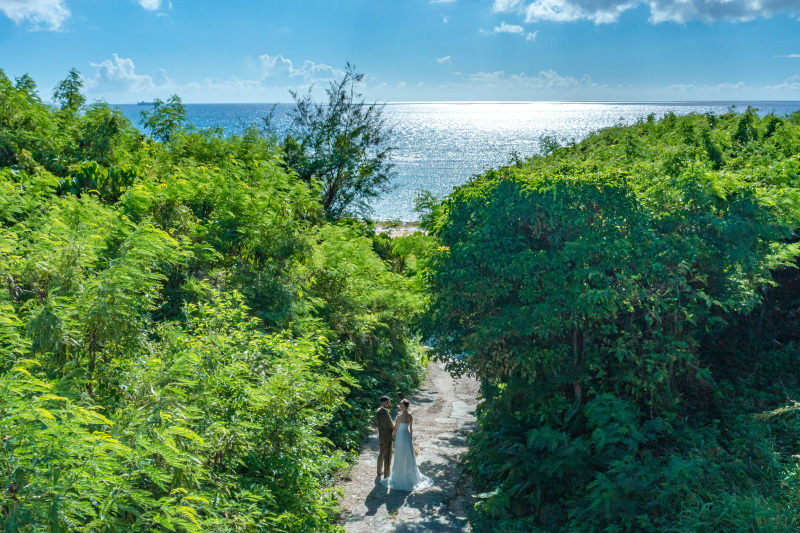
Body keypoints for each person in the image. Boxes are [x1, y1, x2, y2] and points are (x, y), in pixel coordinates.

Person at [381, 399, 434, 492]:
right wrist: (410, 438)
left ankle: (399, 475)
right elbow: (411, 429)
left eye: (402, 406)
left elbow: (395, 429)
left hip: (401, 437)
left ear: (405, 407)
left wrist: (393, 436)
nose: (400, 407)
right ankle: (408, 475)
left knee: (400, 455)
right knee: (408, 455)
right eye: (400, 405)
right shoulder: (410, 416)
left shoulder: (399, 417)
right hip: (406, 436)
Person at [376, 395, 394, 478]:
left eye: (389, 401)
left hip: (381, 436)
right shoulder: (385, 414)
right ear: (383, 403)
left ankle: (379, 471)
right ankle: (387, 475)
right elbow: (391, 426)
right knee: (387, 456)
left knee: (381, 453)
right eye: (387, 402)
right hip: (387, 437)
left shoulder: (378, 411)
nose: (389, 403)